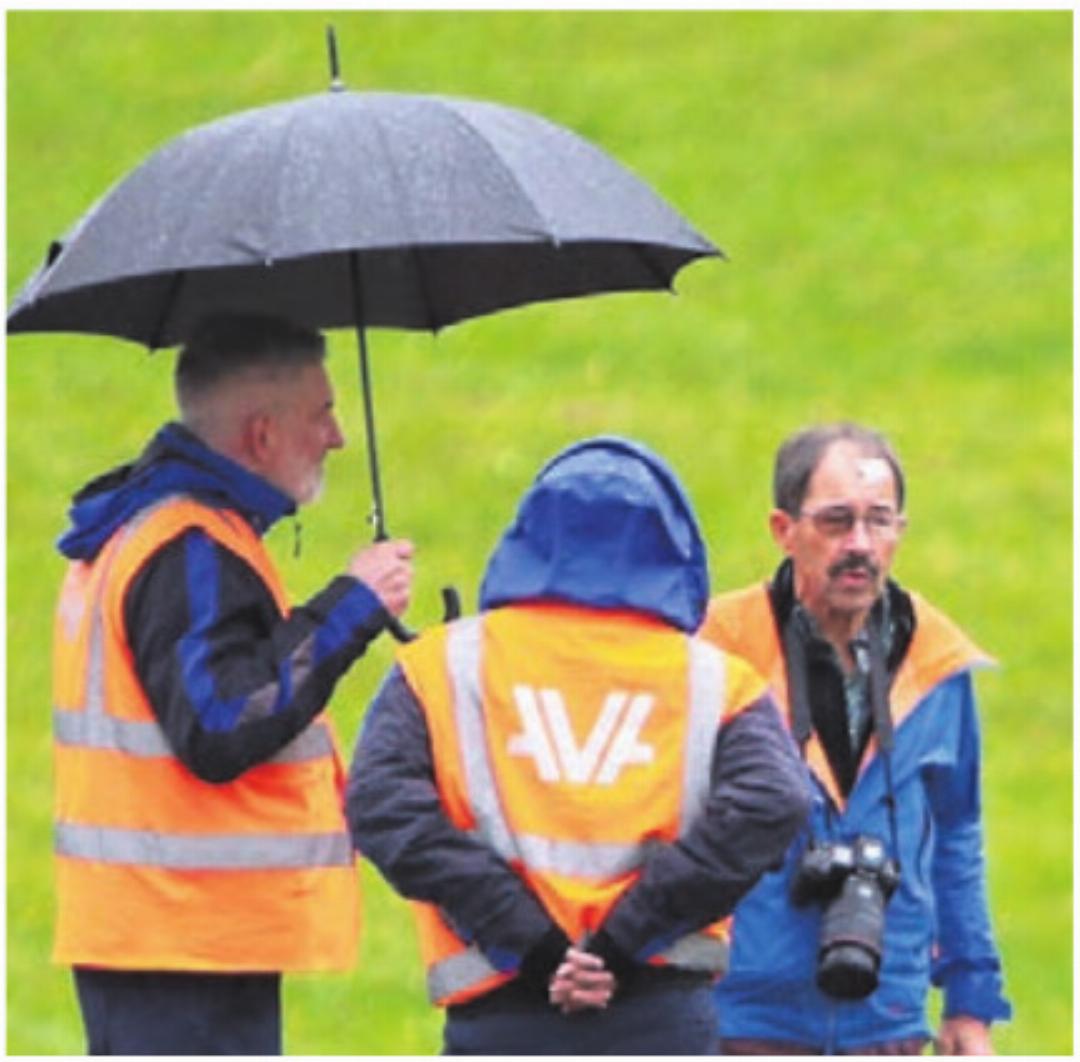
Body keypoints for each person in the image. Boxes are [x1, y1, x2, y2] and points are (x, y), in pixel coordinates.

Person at [347, 435, 809, 1055]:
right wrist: (622, 944)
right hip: (660, 1017)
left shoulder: (442, 666)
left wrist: (533, 946)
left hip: (501, 1016)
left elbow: (381, 806)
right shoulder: (717, 681)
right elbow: (775, 803)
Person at [51, 311, 414, 1055]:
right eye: (323, 413)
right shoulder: (189, 547)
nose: (338, 436)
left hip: (163, 933)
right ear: (262, 434)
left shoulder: (155, 529)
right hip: (182, 944)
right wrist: (351, 606)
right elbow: (222, 724)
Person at [699, 422, 1010, 1055]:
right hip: (741, 1018)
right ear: (784, 530)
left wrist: (971, 1002)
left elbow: (957, 835)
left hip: (886, 1016)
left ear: (902, 530)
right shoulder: (716, 652)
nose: (860, 545)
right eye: (837, 522)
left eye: (880, 521)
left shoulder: (937, 664)